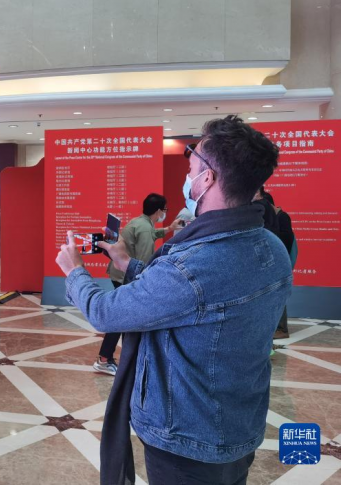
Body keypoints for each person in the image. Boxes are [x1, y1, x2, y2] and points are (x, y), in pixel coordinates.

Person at [55, 116, 291, 485]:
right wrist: (128, 264)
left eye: (191, 169)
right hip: (240, 425)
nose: (188, 177)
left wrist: (75, 272)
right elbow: (195, 298)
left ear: (207, 179)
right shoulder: (272, 248)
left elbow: (105, 312)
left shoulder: (192, 265)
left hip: (186, 438)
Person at [94, 195, 183, 376]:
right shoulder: (144, 228)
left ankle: (115, 358)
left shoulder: (140, 222)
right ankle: (104, 359)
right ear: (158, 211)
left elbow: (151, 233)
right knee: (122, 318)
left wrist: (168, 229)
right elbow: (142, 261)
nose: (165, 213)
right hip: (125, 277)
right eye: (165, 210)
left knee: (123, 317)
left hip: (119, 274)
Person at [261, 190, 296, 340]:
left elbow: (287, 239)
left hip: (279, 261)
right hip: (270, 261)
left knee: (277, 293)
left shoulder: (282, 217)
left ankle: (281, 329)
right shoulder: (271, 218)